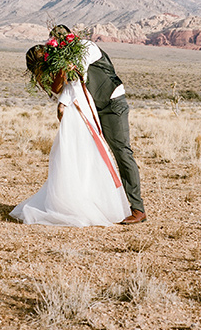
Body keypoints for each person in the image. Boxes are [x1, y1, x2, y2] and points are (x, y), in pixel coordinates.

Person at [10, 44, 131, 226]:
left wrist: (63, 101)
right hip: (77, 108)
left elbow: (68, 85)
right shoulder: (63, 64)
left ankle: (84, 198)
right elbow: (64, 87)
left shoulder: (68, 61)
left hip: (78, 106)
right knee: (82, 152)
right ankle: (81, 201)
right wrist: (64, 101)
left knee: (80, 152)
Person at [53, 25, 146, 224]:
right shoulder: (70, 57)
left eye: (61, 42)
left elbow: (78, 77)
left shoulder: (87, 47)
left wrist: (63, 100)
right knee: (94, 156)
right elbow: (71, 83)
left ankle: (138, 208)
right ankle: (102, 205)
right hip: (94, 108)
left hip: (113, 105)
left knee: (121, 152)